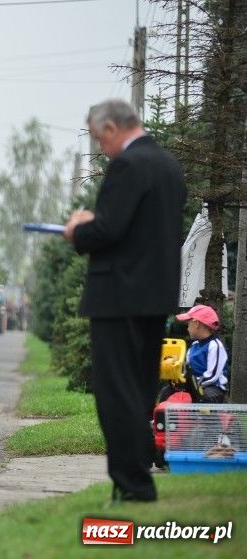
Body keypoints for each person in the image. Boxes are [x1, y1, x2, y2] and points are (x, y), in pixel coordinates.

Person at [64, 99, 186, 503]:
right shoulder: (169, 166)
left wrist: (80, 230)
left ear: (113, 128)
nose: (102, 148)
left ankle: (132, 484)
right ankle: (138, 478)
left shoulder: (128, 166)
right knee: (139, 390)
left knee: (115, 393)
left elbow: (110, 229)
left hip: (118, 296)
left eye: (100, 139)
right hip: (154, 297)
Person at [175, 304, 229, 403]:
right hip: (194, 385)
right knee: (168, 392)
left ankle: (206, 417)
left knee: (206, 396)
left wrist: (193, 383)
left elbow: (212, 376)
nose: (187, 328)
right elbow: (188, 370)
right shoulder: (193, 346)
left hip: (212, 388)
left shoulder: (215, 345)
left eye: (188, 324)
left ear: (197, 324)